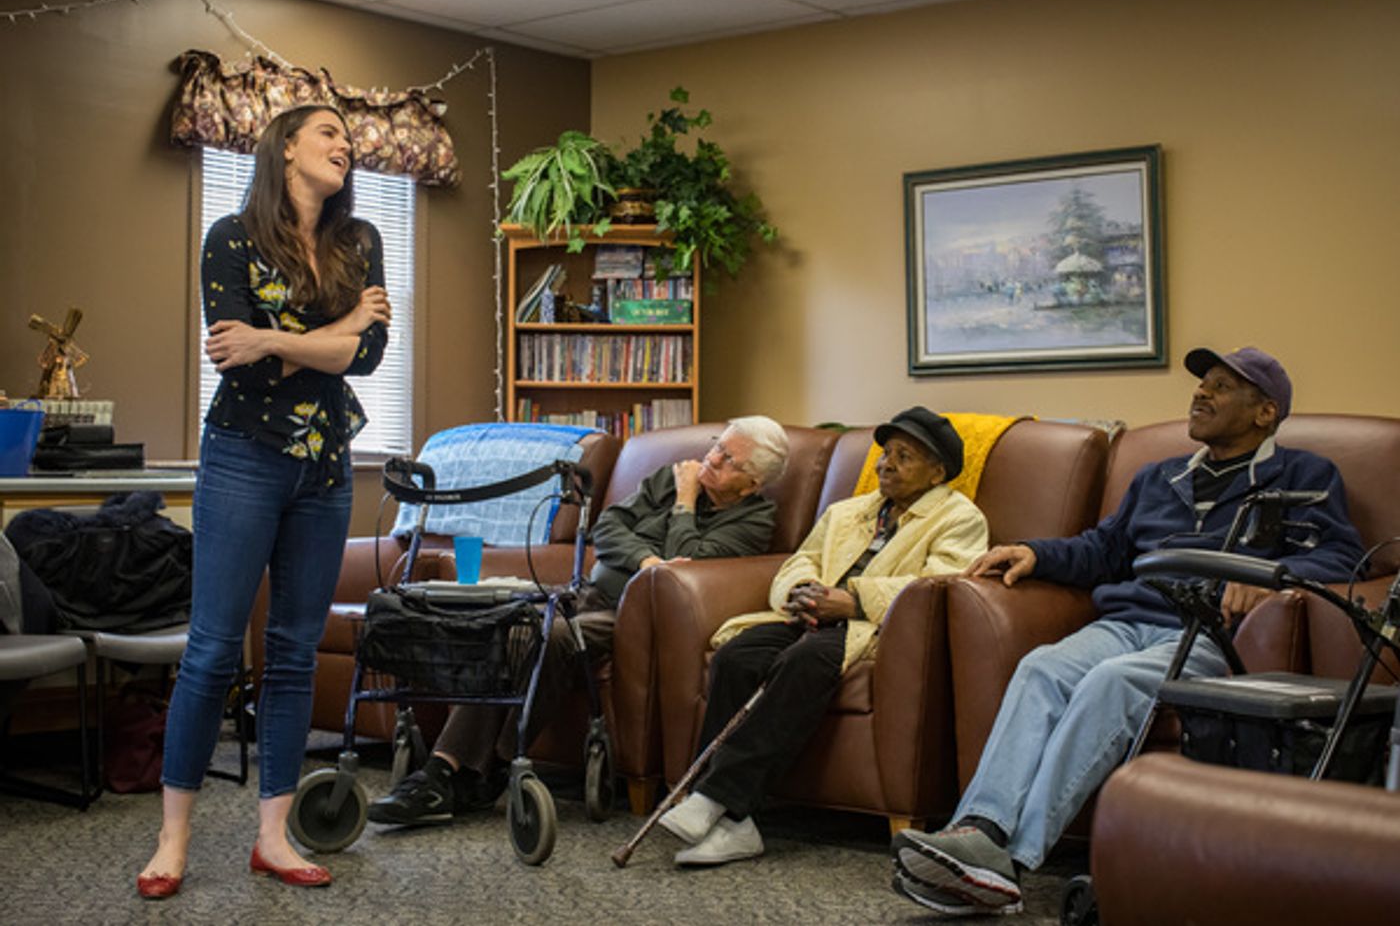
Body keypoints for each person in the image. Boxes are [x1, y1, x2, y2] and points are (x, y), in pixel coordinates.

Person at [891, 346, 1365, 917]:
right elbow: (1105, 549)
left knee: (1111, 684)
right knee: (1041, 667)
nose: (1200, 394)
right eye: (1200, 385)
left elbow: (1344, 555)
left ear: (1265, 412)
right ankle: (979, 827)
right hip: (1125, 621)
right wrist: (1032, 553)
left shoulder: (1304, 475)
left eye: (1219, 386)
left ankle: (1008, 862)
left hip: (1205, 634)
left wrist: (1271, 580)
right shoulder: (1158, 477)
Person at [138, 104, 391, 899]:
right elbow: (236, 366)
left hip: (325, 466)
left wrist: (280, 337)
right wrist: (334, 334)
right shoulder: (231, 237)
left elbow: (370, 355)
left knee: (292, 653)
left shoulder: (359, 242)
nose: (343, 143)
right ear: (285, 150)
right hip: (245, 458)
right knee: (213, 648)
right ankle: (171, 841)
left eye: (347, 136)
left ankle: (273, 836)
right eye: (328, 132)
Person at [367, 416, 791, 825]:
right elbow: (607, 527)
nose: (711, 460)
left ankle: (455, 772)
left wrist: (683, 504)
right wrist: (646, 555)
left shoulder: (753, 520)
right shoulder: (667, 477)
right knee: (500, 622)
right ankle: (463, 772)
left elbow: (683, 569)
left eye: (727, 460)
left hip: (631, 617)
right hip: (584, 592)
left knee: (547, 636)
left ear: (753, 483)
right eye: (717, 447)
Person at [658, 407, 990, 866]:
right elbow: (801, 559)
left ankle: (713, 797)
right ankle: (736, 824)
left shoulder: (959, 518)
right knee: (738, 655)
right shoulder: (848, 510)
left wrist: (852, 601)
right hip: (811, 616)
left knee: (806, 659)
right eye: (885, 453)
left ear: (938, 472)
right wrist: (800, 592)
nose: (885, 464)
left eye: (904, 456)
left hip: (875, 628)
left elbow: (942, 583)